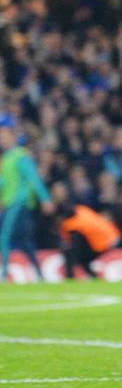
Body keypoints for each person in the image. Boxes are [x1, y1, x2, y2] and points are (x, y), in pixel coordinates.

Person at [0, 116, 52, 282]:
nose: (2, 139)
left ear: (13, 137)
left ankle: (4, 275)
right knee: (25, 242)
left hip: (18, 204)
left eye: (4, 135)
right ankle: (40, 275)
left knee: (4, 238)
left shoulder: (20, 156)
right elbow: (4, 183)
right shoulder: (7, 158)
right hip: (10, 204)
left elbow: (33, 178)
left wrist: (45, 198)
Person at [59, 202, 121, 280]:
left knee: (78, 257)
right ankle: (93, 276)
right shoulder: (82, 210)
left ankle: (70, 276)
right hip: (113, 234)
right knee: (83, 259)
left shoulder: (74, 225)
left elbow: (76, 243)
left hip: (103, 242)